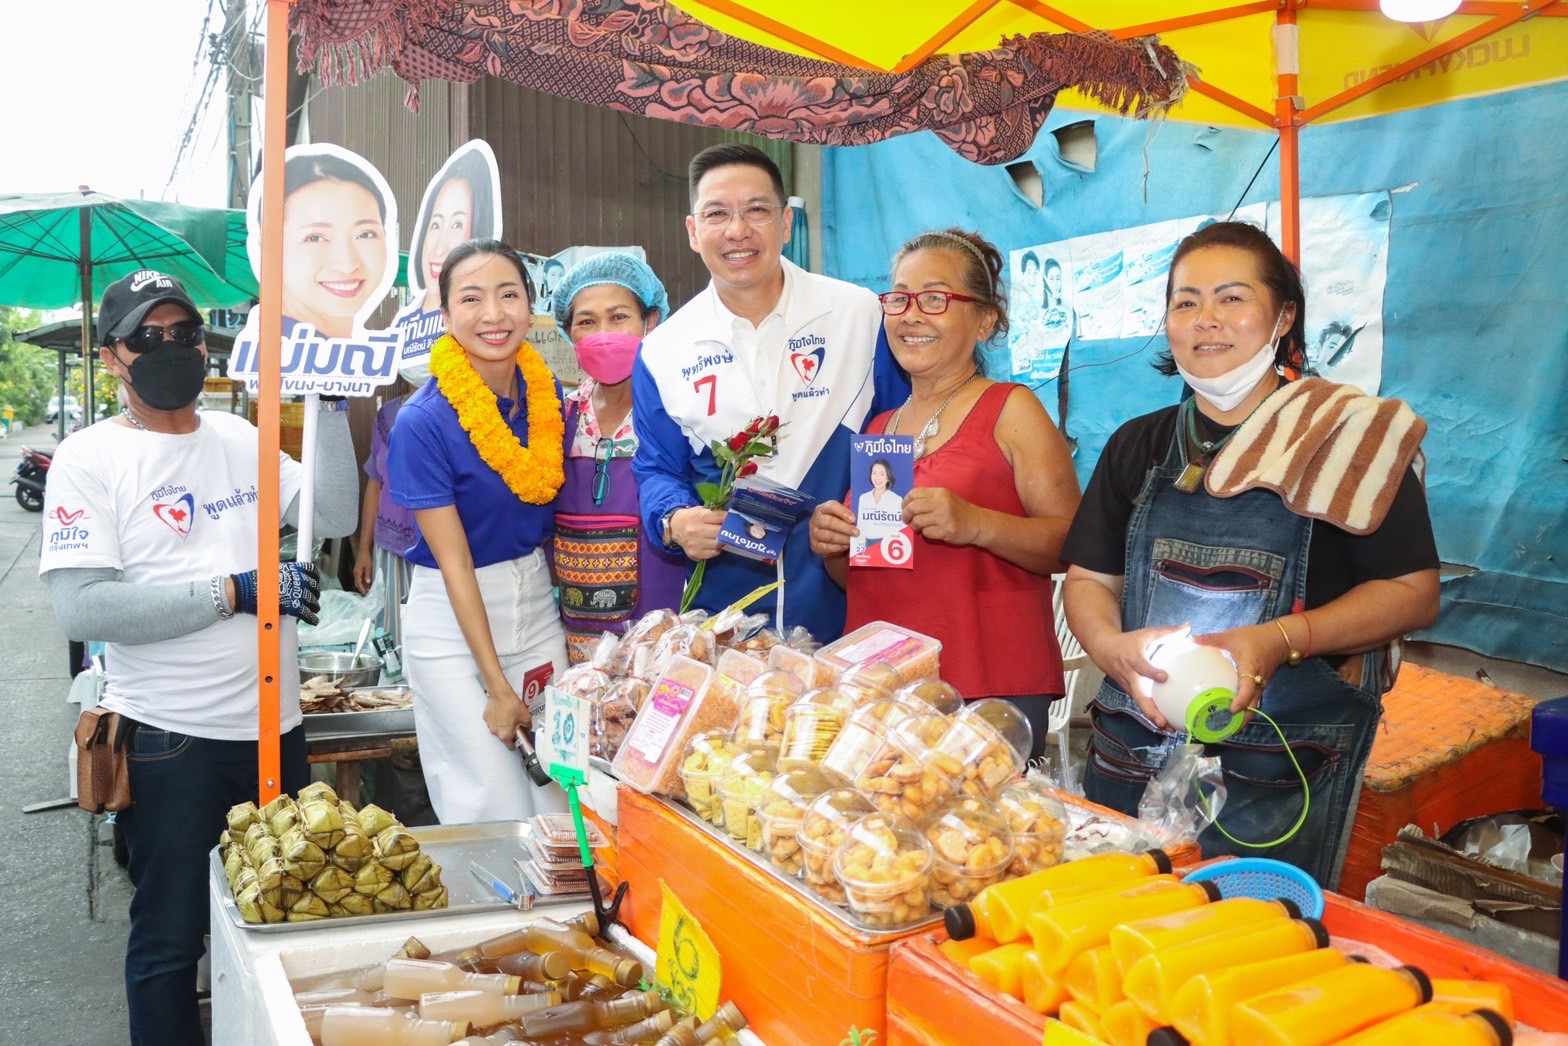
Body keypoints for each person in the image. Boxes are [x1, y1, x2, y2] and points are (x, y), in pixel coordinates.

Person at [1060, 221, 1439, 888]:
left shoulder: (1349, 440)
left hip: (1275, 769)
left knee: (1243, 934)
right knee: (1108, 927)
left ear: (1283, 316)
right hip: (1132, 753)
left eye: (1232, 298)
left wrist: (1278, 639)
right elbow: (1089, 577)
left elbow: (1412, 593)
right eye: (1186, 302)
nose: (1206, 319)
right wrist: (1108, 647)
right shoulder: (1137, 445)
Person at [38, 270, 357, 1046]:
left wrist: (332, 399)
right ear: (112, 356)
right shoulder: (89, 458)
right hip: (170, 744)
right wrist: (233, 591)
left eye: (184, 334)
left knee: (281, 923)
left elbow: (336, 511)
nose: (172, 348)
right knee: (171, 943)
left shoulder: (240, 438)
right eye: (149, 337)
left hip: (276, 734)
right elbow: (85, 607)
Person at [809, 229, 1081, 757]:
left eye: (935, 299)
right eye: (899, 299)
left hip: (985, 687)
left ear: (985, 320)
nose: (911, 315)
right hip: (883, 687)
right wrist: (834, 547)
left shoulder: (1012, 409)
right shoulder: (881, 427)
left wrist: (977, 524)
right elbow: (868, 574)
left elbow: (1073, 544)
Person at [632, 143, 908, 641]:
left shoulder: (860, 315)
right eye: (717, 213)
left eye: (756, 210)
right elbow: (657, 469)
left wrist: (873, 547)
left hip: (849, 607)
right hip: (728, 622)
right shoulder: (662, 351)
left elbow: (896, 434)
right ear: (693, 231)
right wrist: (674, 519)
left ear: (785, 223)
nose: (737, 230)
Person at [387, 238, 569, 824]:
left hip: (535, 606)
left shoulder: (548, 397)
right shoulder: (422, 420)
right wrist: (496, 687)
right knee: (489, 800)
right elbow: (456, 563)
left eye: (508, 294)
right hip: (453, 618)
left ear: (530, 307)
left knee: (558, 792)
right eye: (471, 298)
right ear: (445, 316)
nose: (493, 314)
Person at [550, 251, 685, 663]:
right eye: (587, 322)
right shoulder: (555, 417)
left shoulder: (679, 412)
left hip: (661, 637)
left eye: (619, 317)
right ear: (569, 332)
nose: (603, 333)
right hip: (576, 642)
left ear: (651, 320)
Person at [280, 151, 391, 337]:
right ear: (266, 248)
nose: (347, 265)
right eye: (315, 238)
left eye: (365, 234)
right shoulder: (273, 352)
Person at [353, 380, 417, 650]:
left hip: (441, 550)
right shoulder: (387, 416)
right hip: (391, 548)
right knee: (391, 639)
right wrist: (363, 550)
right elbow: (375, 485)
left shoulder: (459, 409)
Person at [408, 147, 498, 316]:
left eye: (457, 225)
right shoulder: (402, 323)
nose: (439, 248)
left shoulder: (481, 322)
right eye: (435, 224)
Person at [854, 457, 904, 544]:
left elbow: (901, 528)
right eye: (874, 473)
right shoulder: (864, 498)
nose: (877, 478)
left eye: (882, 474)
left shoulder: (897, 500)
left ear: (888, 477)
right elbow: (860, 526)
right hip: (867, 544)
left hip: (889, 544)